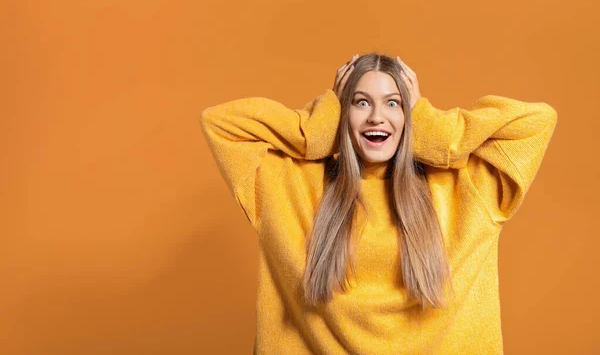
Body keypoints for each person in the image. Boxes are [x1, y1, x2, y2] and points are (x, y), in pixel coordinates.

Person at [199, 52, 557, 354]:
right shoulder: (291, 186)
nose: (376, 117)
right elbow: (220, 124)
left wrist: (429, 126)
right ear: (344, 112)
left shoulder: (464, 188)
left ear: (409, 115)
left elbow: (537, 121)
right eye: (360, 102)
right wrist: (319, 126)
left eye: (394, 103)